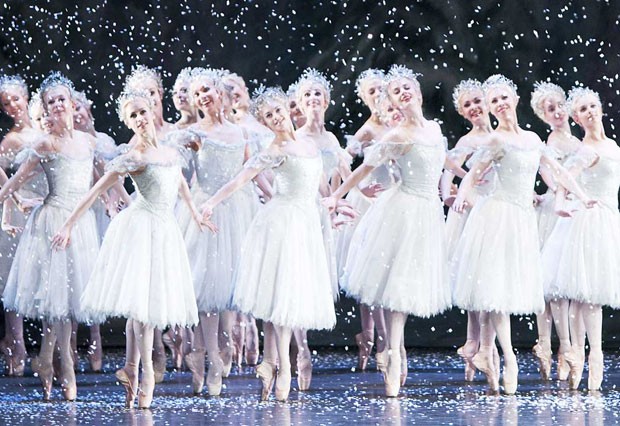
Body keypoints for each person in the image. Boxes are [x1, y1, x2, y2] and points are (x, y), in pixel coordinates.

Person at [51, 89, 214, 408]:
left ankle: (129, 368)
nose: (140, 119)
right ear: (128, 121)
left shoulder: (169, 152)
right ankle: (146, 375)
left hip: (166, 230)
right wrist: (69, 224)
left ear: (154, 110)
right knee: (144, 308)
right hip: (142, 227)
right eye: (133, 115)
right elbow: (96, 189)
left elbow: (180, 183)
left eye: (143, 111)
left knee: (149, 307)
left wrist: (195, 214)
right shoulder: (134, 156)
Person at [451, 75, 595, 395]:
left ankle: (493, 354)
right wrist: (463, 194)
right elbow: (473, 175)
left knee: (511, 288)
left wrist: (580, 196)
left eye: (503, 98)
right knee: (497, 292)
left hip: (522, 219)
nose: (500, 104)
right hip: (498, 215)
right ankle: (508, 358)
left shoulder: (531, 139)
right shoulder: (495, 141)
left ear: (514, 99)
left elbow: (555, 172)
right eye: (493, 101)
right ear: (491, 108)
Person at [201, 87, 337, 401]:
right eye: (269, 116)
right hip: (282, 221)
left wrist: (333, 204)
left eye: (278, 111)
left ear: (288, 110)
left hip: (305, 222)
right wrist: (212, 201)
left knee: (288, 293)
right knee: (281, 294)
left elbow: (318, 186)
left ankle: (271, 361)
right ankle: (282, 367)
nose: (276, 118)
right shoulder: (274, 149)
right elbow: (242, 177)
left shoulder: (307, 144)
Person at [324, 65, 452, 397]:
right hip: (403, 209)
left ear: (419, 94)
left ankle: (397, 349)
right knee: (396, 287)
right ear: (392, 104)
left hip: (427, 212)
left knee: (409, 286)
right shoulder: (396, 135)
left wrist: (456, 185)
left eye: (407, 87)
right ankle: (394, 352)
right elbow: (363, 167)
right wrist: (336, 196)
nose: (403, 92)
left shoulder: (435, 131)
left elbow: (442, 165)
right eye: (396, 91)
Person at [0, 72, 100, 400]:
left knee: (69, 299)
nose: (57, 105)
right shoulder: (45, 144)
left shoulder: (87, 141)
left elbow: (101, 178)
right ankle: (64, 363)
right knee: (56, 299)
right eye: (50, 101)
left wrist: (121, 202)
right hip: (53, 220)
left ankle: (47, 357)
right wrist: (6, 210)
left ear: (72, 104)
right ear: (45, 109)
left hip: (80, 223)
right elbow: (13, 183)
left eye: (61, 99)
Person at [179, 67, 259, 395]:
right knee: (207, 290)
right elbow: (179, 174)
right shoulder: (195, 134)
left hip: (236, 209)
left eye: (207, 90)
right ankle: (211, 356)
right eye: (197, 93)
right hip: (204, 208)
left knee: (229, 290)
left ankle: (213, 347)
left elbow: (251, 171)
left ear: (220, 94)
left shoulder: (241, 133)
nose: (203, 97)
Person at [548, 87, 620, 390]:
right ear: (577, 118)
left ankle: (581, 353)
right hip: (589, 219)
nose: (590, 112)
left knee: (587, 296)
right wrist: (560, 202)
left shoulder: (612, 146)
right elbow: (564, 176)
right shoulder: (586, 150)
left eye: (593, 106)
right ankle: (589, 354)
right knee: (584, 296)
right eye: (583, 109)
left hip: (606, 219)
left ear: (600, 108)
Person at [337, 69, 397, 372]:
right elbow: (342, 163)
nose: (377, 95)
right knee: (369, 270)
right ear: (363, 97)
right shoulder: (366, 130)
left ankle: (385, 341)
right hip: (370, 200)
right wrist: (358, 188)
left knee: (389, 270)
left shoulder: (399, 123)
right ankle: (372, 336)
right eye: (371, 92)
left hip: (395, 200)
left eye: (381, 90)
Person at [440, 79, 500, 382]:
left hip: (500, 212)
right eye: (468, 105)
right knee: (478, 280)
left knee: (489, 280)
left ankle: (477, 345)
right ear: (463, 114)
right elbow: (447, 172)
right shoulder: (467, 143)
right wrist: (452, 196)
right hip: (476, 212)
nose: (475, 108)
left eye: (478, 101)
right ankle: (479, 347)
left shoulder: (503, 136)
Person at [529, 82, 581, 381]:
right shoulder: (549, 145)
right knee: (553, 285)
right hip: (556, 211)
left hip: (575, 209)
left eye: (560, 105)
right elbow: (551, 179)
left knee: (568, 284)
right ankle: (561, 347)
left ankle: (555, 346)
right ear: (544, 116)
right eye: (551, 109)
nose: (558, 112)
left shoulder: (578, 142)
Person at [0, 75, 46, 377]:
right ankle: (16, 341)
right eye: (5, 103)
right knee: (14, 276)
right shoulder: (11, 140)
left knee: (46, 275)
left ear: (27, 96)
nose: (12, 106)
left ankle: (50, 346)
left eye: (15, 98)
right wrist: (15, 198)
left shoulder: (45, 129)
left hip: (46, 205)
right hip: (21, 209)